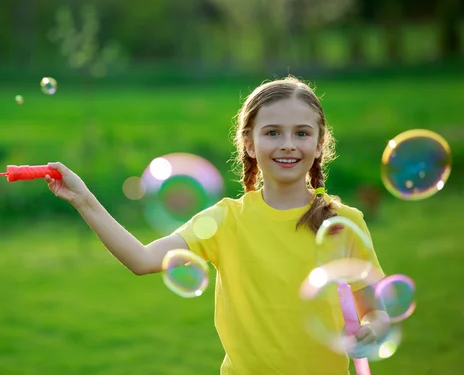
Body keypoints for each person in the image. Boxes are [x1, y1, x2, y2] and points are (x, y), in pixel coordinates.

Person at [44, 76, 390, 374]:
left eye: (301, 133)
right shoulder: (225, 221)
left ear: (319, 144)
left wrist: (371, 330)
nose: (287, 144)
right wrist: (83, 199)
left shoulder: (344, 223)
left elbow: (375, 312)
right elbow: (142, 259)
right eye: (273, 132)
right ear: (249, 144)